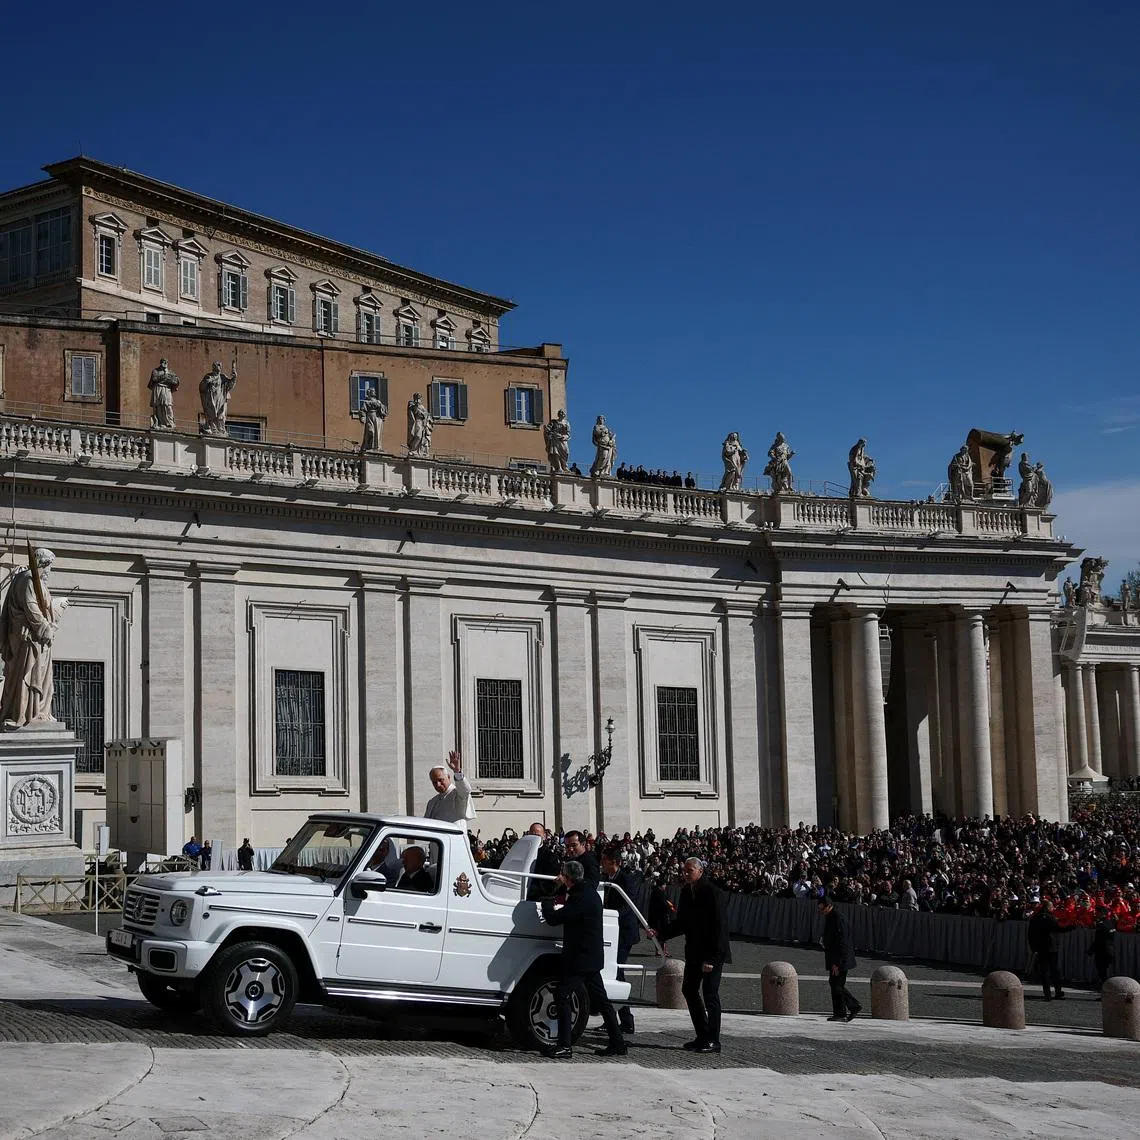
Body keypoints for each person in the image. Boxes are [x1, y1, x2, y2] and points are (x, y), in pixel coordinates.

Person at [539, 860, 627, 1058]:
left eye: (562, 875)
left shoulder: (581, 897)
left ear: (568, 878)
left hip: (580, 958)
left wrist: (547, 900)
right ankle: (618, 1043)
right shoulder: (588, 892)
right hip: (591, 957)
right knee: (602, 1001)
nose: (560, 877)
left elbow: (555, 919)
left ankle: (564, 1045)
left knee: (562, 995)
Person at [652, 857, 730, 1053]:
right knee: (689, 989)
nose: (686, 874)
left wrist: (713, 958)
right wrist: (660, 933)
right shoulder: (686, 892)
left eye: (690, 870)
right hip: (694, 951)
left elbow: (720, 927)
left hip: (711, 953)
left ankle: (714, 1039)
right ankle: (702, 1034)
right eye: (684, 870)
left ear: (700, 871)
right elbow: (682, 923)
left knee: (710, 994)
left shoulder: (713, 893)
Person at [0, 546, 70, 728]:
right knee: (30, 675)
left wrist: (56, 605)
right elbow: (33, 610)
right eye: (49, 567)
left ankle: (39, 712)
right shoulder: (29, 579)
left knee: (37, 677)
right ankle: (29, 714)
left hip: (32, 638)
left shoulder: (30, 580)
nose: (50, 571)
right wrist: (47, 629)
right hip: (30, 640)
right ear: (43, 563)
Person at [601, 848, 641, 1034]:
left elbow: (629, 904)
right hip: (611, 932)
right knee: (612, 973)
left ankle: (626, 1020)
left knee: (616, 973)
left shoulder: (626, 879)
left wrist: (612, 917)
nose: (602, 863)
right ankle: (612, 1017)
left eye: (604, 860)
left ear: (613, 862)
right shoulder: (606, 878)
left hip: (624, 932)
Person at [818, 895, 861, 1022]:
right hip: (836, 957)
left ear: (829, 906)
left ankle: (852, 1006)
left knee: (837, 984)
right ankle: (840, 1012)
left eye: (822, 909)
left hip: (840, 958)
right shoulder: (831, 917)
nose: (820, 912)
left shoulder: (837, 918)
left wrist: (836, 963)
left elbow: (842, 942)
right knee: (835, 983)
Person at [1027, 898, 1065, 1001]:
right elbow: (1058, 929)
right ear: (1048, 907)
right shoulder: (1051, 918)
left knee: (1044, 971)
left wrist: (1033, 947)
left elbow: (1030, 933)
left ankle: (1047, 993)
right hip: (1051, 947)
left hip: (1040, 947)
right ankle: (1058, 990)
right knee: (1054, 970)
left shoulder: (1035, 918)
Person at [423, 751, 476, 824]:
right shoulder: (432, 802)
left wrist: (457, 772)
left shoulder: (457, 794)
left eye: (441, 780)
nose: (438, 784)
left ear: (448, 777)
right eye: (434, 782)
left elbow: (466, 791)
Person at [199, 359, 237, 435]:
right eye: (218, 365)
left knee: (221, 415)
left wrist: (234, 377)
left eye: (220, 366)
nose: (219, 367)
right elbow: (201, 387)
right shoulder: (208, 376)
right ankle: (213, 430)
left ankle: (220, 430)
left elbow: (230, 385)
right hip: (211, 399)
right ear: (214, 367)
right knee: (211, 414)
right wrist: (207, 382)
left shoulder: (223, 377)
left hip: (221, 399)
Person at [525, 822, 562, 901]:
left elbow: (550, 882)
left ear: (544, 836)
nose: (535, 838)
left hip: (538, 895)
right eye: (532, 835)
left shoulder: (550, 856)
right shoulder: (522, 852)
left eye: (538, 836)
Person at [1089, 906, 1115, 994]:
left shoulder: (1101, 924)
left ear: (1102, 913)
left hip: (1101, 951)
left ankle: (1105, 993)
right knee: (1105, 972)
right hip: (1109, 949)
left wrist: (1091, 950)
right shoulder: (1110, 923)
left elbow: (1098, 940)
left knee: (1102, 973)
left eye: (1097, 912)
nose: (1096, 914)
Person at [148, 358, 180, 430]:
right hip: (158, 389)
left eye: (166, 362)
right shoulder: (155, 371)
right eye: (163, 362)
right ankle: (159, 423)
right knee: (158, 406)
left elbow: (176, 381)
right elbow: (154, 379)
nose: (165, 363)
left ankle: (170, 423)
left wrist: (169, 378)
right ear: (160, 362)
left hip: (167, 389)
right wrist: (165, 376)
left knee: (168, 406)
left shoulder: (171, 372)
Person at [407, 392, 433, 457]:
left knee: (422, 438)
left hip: (422, 423)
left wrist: (425, 416)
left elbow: (426, 414)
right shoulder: (412, 405)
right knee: (418, 436)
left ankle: (419, 451)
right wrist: (416, 406)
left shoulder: (422, 407)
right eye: (417, 397)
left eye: (419, 397)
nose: (418, 399)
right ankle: (413, 450)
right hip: (416, 421)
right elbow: (412, 412)